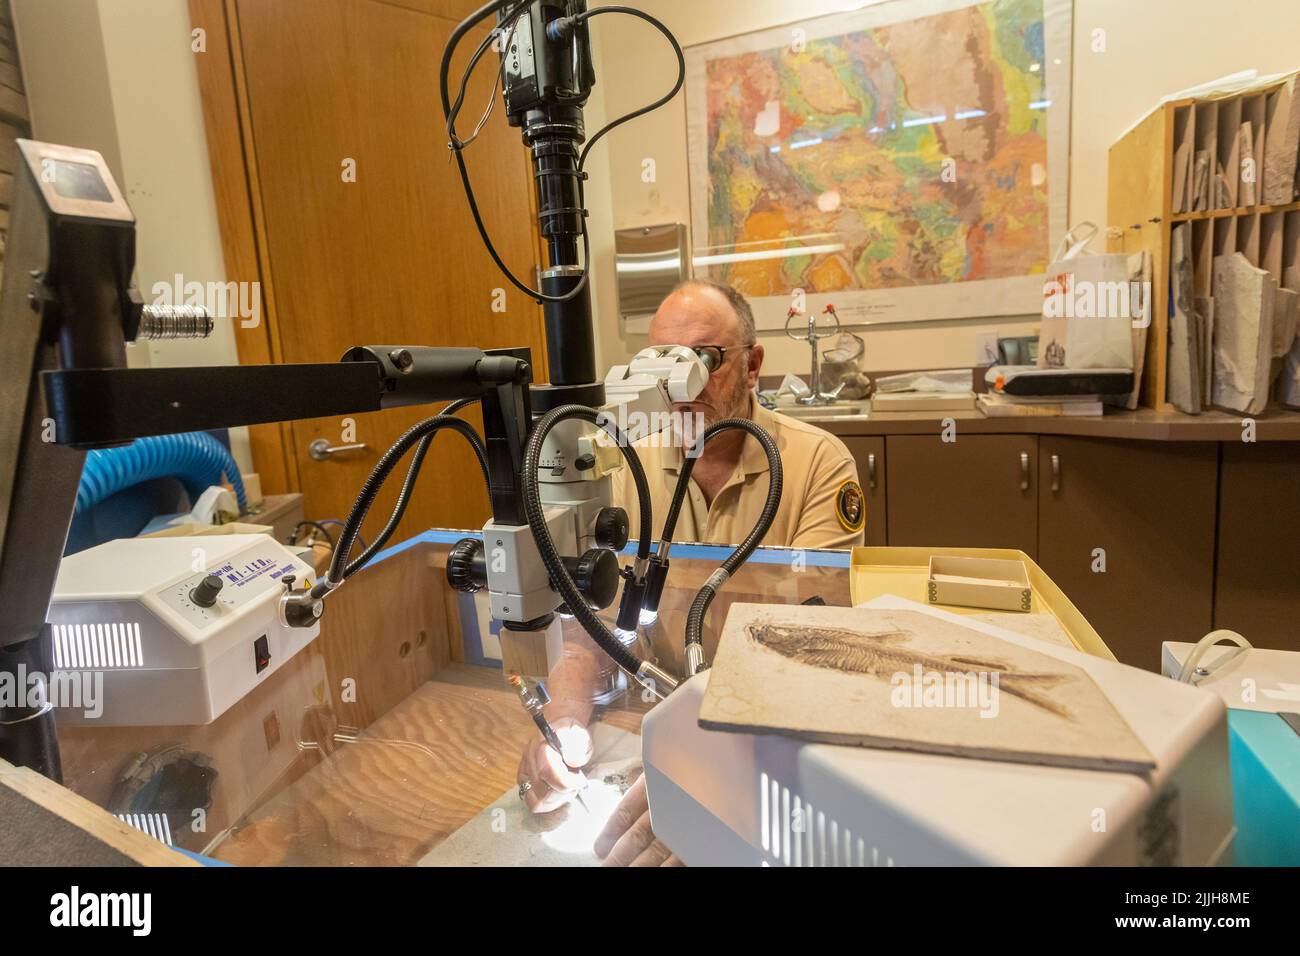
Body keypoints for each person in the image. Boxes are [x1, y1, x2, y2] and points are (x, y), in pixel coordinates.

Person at [516, 278, 866, 865]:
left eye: (704, 360)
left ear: (753, 365)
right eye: (661, 364)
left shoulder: (817, 466)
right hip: (649, 723)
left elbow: (814, 657)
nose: (679, 389)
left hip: (765, 744)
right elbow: (591, 626)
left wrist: (710, 768)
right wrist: (565, 720)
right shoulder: (622, 462)